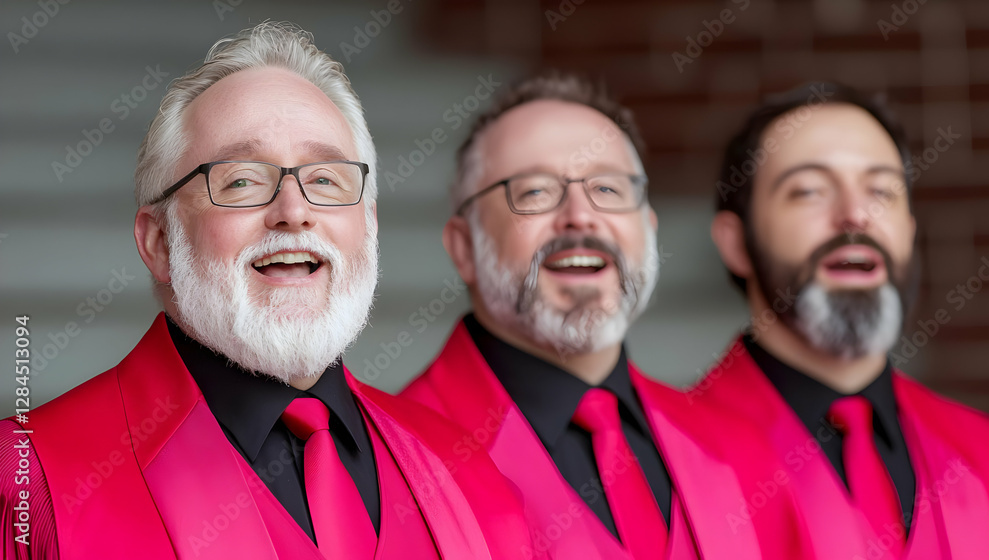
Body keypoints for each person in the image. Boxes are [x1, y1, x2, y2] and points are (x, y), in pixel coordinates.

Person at [0, 22, 536, 560]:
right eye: (241, 181)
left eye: (326, 180)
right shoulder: (30, 483)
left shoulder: (466, 471)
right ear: (160, 242)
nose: (294, 212)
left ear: (369, 225)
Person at [401, 75, 801, 559]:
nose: (581, 215)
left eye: (608, 188)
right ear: (464, 248)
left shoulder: (738, 447)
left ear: (648, 229)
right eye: (534, 192)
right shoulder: (402, 464)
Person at [698, 82, 989, 559]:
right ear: (736, 242)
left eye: (881, 189)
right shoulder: (672, 457)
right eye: (809, 191)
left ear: (909, 230)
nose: (855, 215)